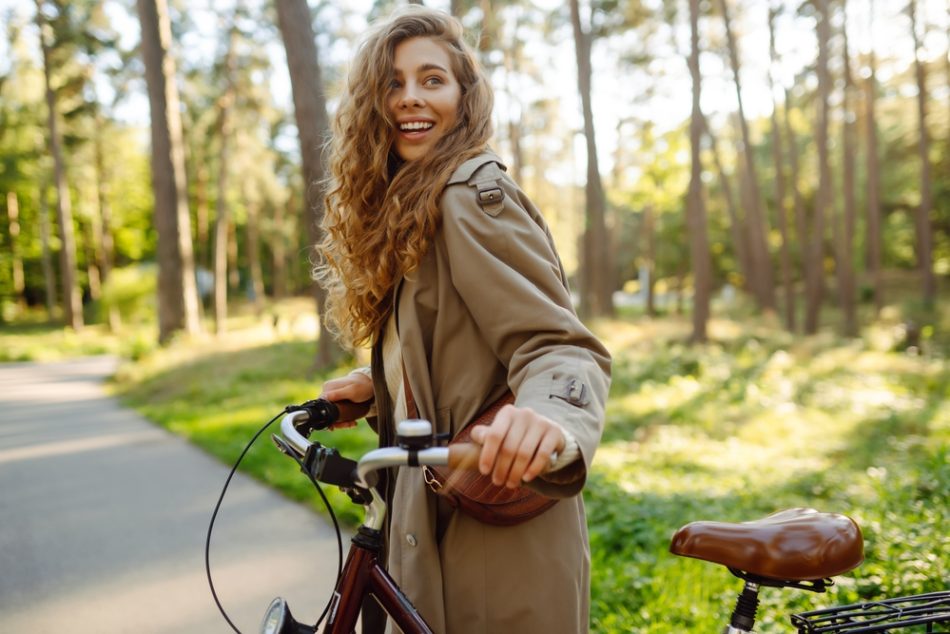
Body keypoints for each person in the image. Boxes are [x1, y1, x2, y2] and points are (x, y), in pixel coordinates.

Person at [315, 7, 611, 633]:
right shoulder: (415, 203)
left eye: (432, 80)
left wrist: (551, 421)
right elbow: (458, 342)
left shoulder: (470, 195)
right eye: (392, 83)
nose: (410, 98)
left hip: (492, 538)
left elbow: (557, 344)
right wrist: (383, 385)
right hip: (439, 516)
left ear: (463, 96)